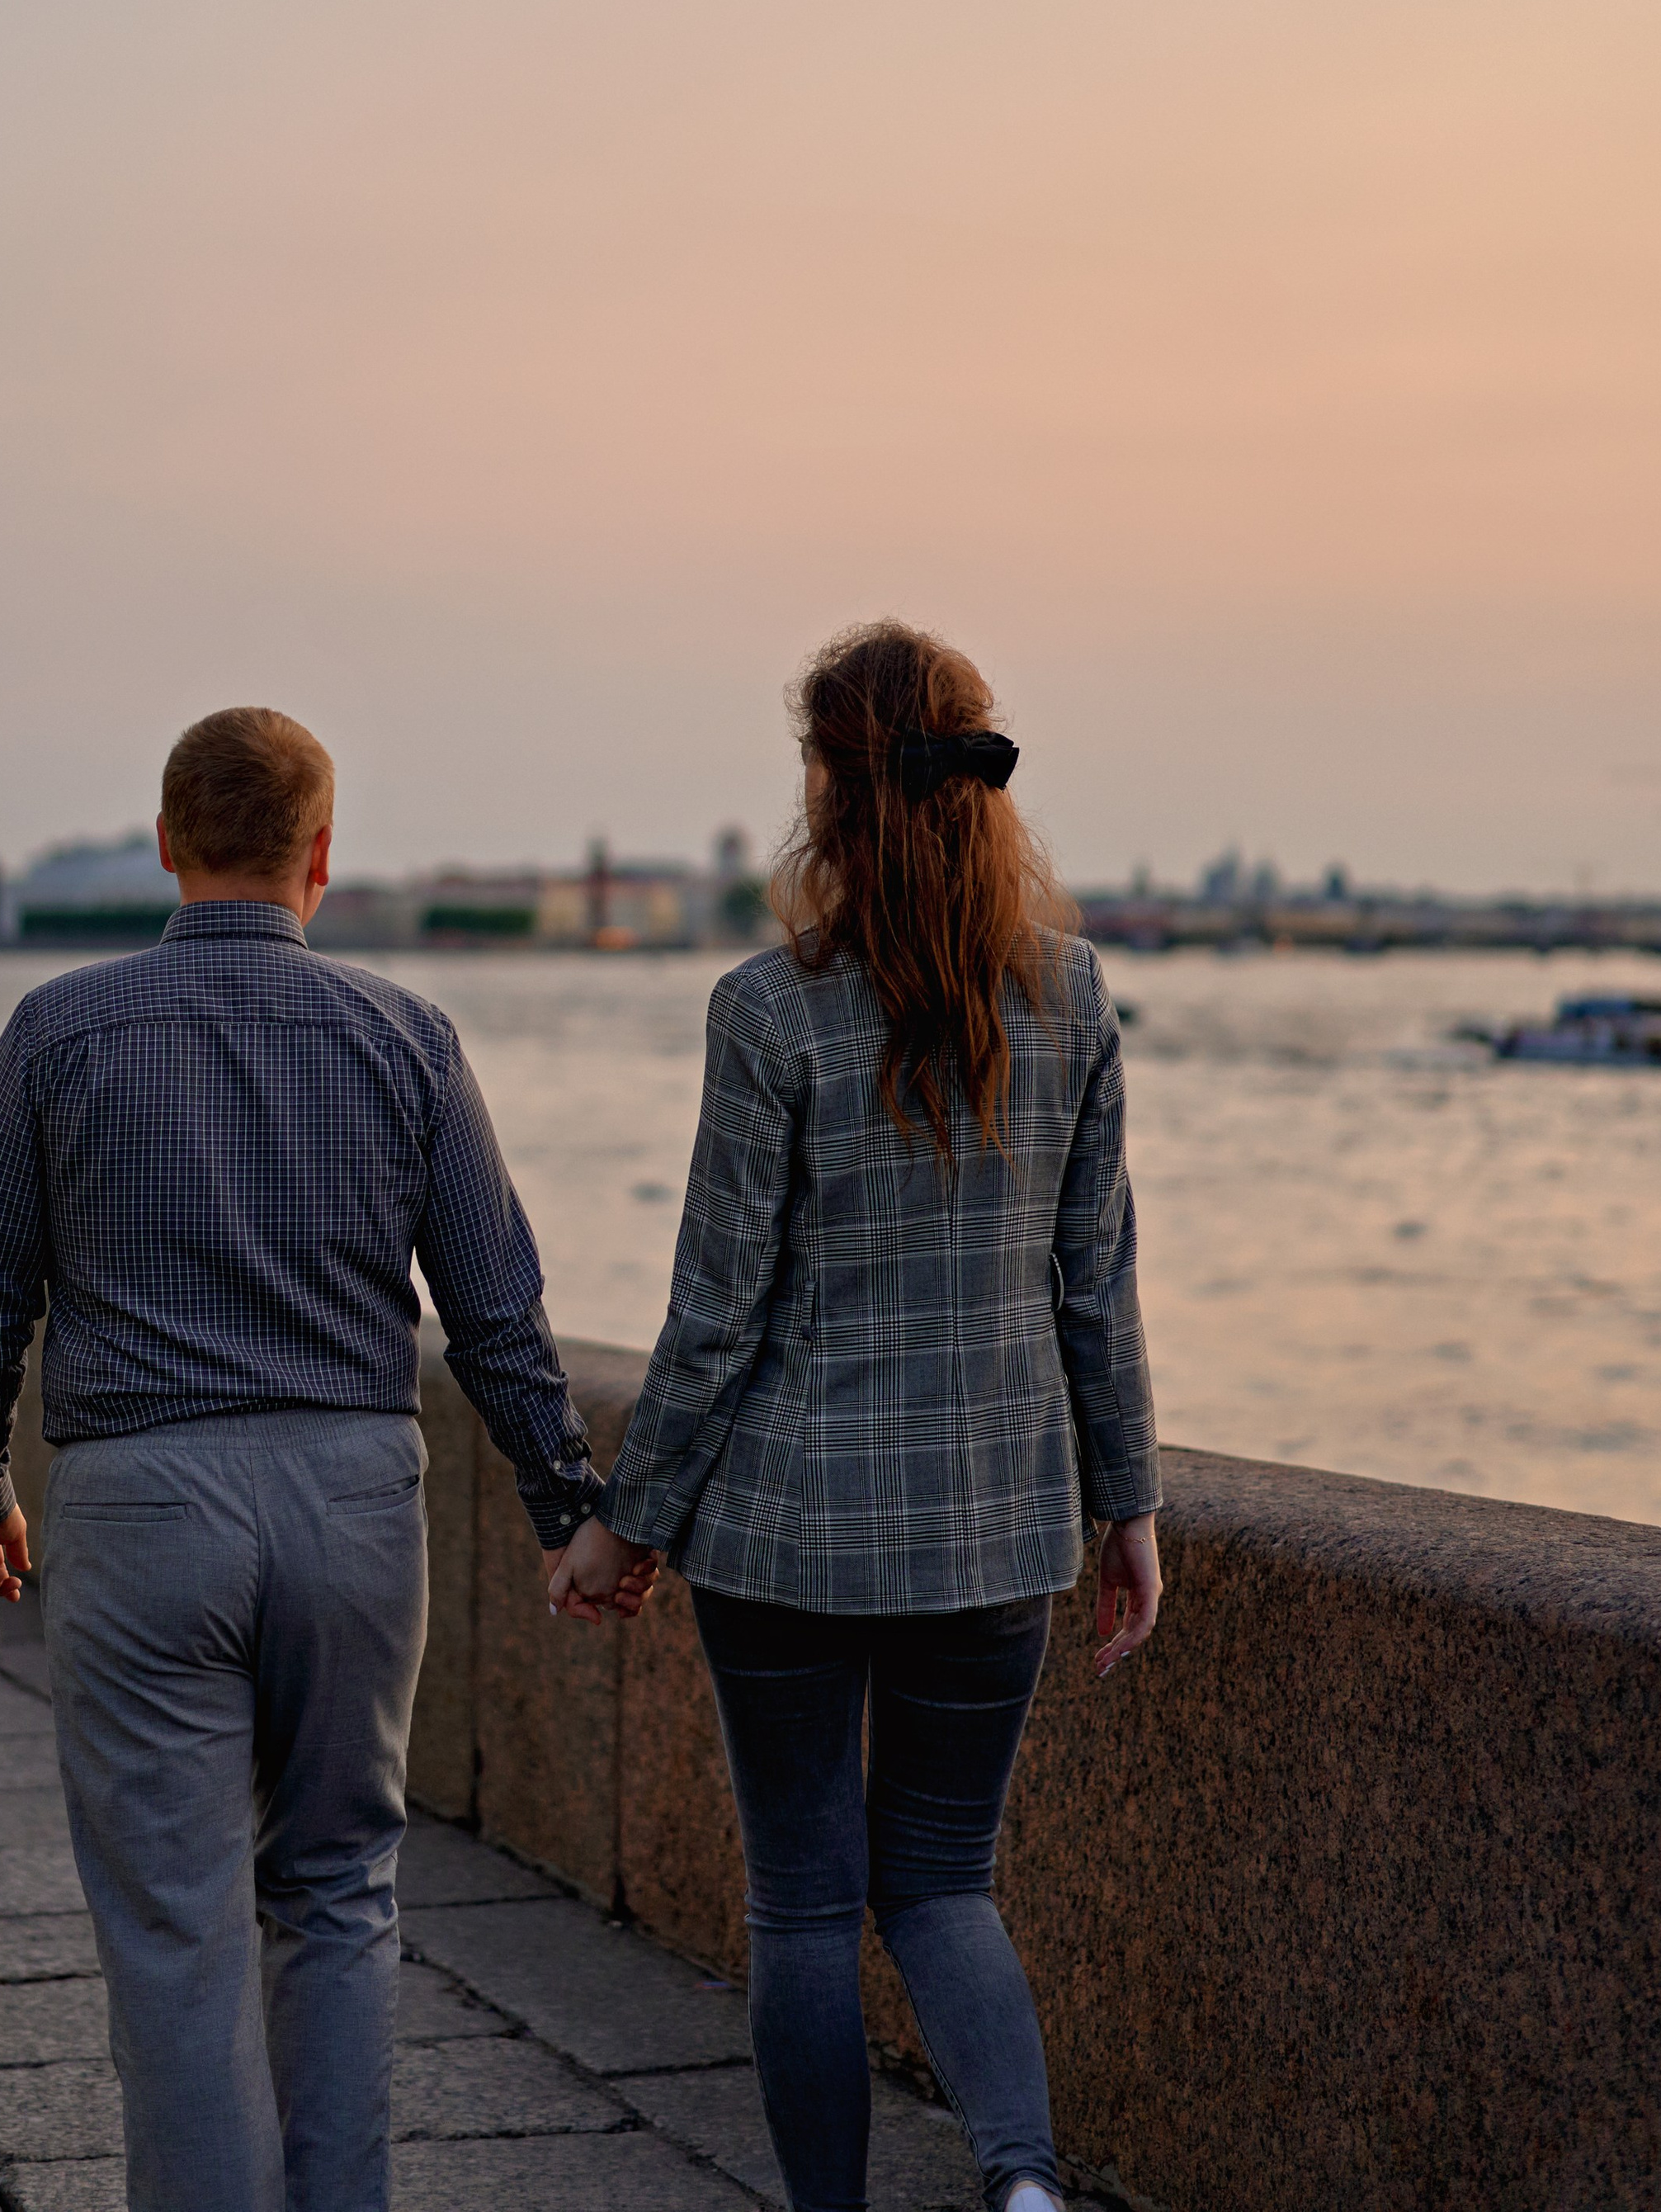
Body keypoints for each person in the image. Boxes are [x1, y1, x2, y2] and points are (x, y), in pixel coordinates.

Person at [0, 705, 649, 2212]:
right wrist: (568, 1506)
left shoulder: (60, 1029)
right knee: (338, 1896)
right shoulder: (407, 1035)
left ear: (170, 844)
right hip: (351, 1501)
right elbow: (495, 1313)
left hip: (141, 1503)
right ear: (323, 854)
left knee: (179, 1926)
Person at [551, 623, 1163, 2212]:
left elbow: (716, 1313)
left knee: (809, 1908)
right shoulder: (1074, 998)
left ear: (828, 790)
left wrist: (629, 1520)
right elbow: (1093, 1284)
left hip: (789, 1540)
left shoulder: (768, 1012)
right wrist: (1130, 1503)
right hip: (996, 1524)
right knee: (948, 1882)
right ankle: (1023, 2187)